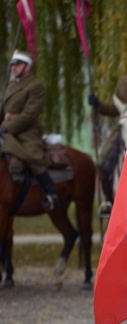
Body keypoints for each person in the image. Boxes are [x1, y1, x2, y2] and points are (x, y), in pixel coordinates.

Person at [88, 45, 127, 217]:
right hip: (124, 125)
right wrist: (98, 105)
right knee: (102, 162)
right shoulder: (123, 82)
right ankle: (109, 201)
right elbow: (115, 109)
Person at [0, 50, 58, 210]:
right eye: (12, 65)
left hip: (26, 131)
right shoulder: (10, 86)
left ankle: (50, 193)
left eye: (18, 64)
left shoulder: (36, 86)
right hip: (6, 129)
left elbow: (29, 115)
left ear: (27, 66)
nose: (14, 68)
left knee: (31, 157)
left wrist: (6, 127)